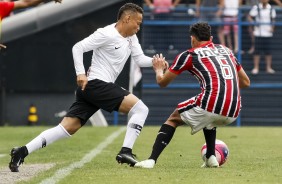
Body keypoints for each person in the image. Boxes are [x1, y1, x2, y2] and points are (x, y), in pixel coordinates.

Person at [9, 3, 155, 172]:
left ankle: (21, 151)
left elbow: (140, 59)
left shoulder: (131, 38)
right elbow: (78, 47)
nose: (139, 27)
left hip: (93, 89)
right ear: (127, 18)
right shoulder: (106, 33)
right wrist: (80, 73)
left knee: (66, 129)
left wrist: (154, 62)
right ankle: (125, 151)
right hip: (95, 84)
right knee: (140, 109)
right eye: (138, 22)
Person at [135, 22, 250, 169]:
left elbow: (162, 82)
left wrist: (158, 69)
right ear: (211, 38)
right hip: (234, 110)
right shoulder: (226, 50)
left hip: (213, 103)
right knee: (208, 118)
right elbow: (246, 82)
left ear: (193, 39)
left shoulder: (189, 55)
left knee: (173, 118)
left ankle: (151, 160)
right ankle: (211, 157)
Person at [248, 0, 276, 74]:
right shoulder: (256, 7)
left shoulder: (271, 8)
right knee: (256, 51)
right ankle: (256, 67)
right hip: (258, 33)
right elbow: (250, 17)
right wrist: (254, 23)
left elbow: (273, 20)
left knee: (268, 52)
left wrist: (272, 28)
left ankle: (268, 68)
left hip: (268, 33)